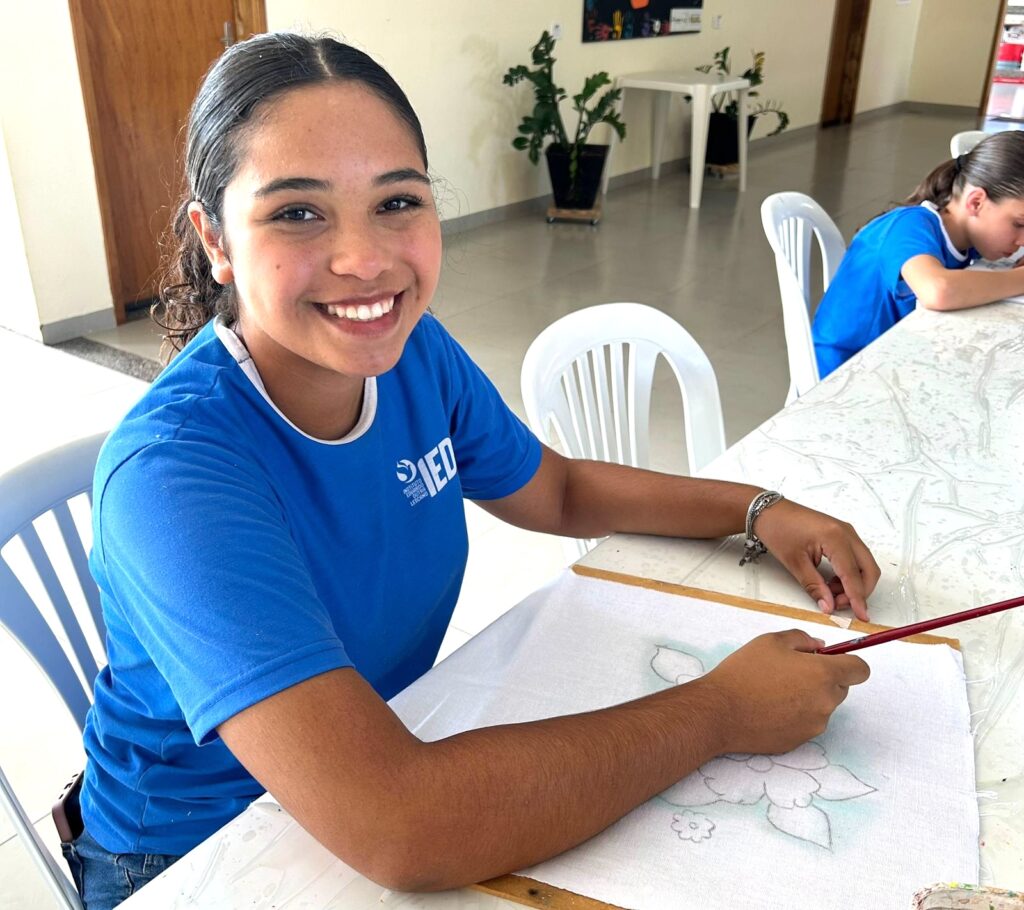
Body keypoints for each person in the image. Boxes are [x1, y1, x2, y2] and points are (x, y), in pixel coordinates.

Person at [66, 32, 879, 910]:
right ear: (215, 239)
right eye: (297, 212)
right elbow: (401, 825)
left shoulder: (412, 356)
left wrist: (759, 509)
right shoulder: (175, 477)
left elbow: (557, 490)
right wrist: (720, 713)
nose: (366, 260)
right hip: (199, 856)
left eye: (398, 202)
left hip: (372, 762)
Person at [812, 130, 1024, 378]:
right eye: (1019, 224)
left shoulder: (968, 238)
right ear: (976, 202)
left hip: (896, 359)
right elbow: (939, 290)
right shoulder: (908, 226)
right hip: (845, 372)